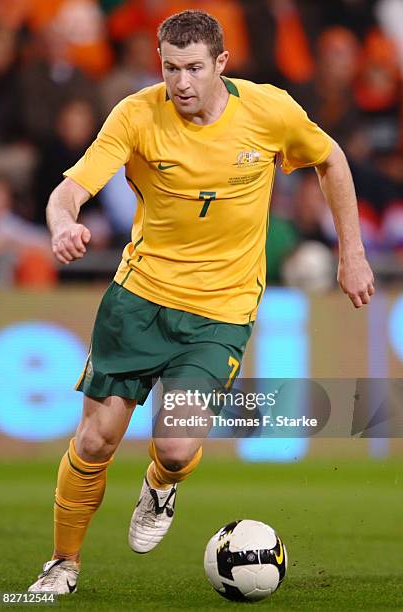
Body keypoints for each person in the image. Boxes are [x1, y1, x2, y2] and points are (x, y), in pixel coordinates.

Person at [28, 9, 374, 595]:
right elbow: (70, 190)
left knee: (176, 442)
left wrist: (352, 253)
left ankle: (161, 484)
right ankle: (63, 563)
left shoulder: (269, 110)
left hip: (220, 311)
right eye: (169, 67)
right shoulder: (137, 114)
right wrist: (63, 224)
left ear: (221, 64)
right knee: (93, 441)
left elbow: (331, 158)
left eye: (193, 67)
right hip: (138, 300)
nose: (180, 82)